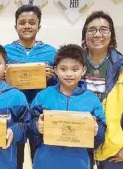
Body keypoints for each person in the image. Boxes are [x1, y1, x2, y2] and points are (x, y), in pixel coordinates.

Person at [30, 44, 106, 169]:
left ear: (83, 70)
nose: (69, 74)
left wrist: (97, 131)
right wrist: (37, 126)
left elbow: (101, 134)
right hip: (45, 162)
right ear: (55, 70)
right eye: (63, 69)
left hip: (79, 163)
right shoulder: (43, 96)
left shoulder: (92, 100)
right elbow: (30, 123)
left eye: (75, 69)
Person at [4, 4, 57, 168]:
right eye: (22, 22)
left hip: (40, 113)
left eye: (32, 22)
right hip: (13, 113)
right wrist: (3, 76)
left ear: (39, 26)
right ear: (15, 26)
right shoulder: (5, 52)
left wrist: (52, 77)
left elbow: (60, 82)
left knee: (40, 158)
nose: (27, 26)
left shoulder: (51, 52)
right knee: (14, 158)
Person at [82, 11, 123, 169]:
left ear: (111, 35)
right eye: (92, 30)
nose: (97, 34)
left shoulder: (121, 67)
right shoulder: (73, 64)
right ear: (84, 35)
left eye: (103, 29)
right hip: (79, 143)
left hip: (114, 148)